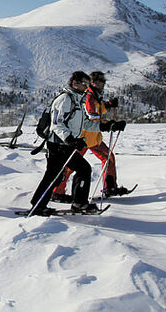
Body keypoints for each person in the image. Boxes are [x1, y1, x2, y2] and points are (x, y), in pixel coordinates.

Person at [29, 71, 103, 215]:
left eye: (88, 84)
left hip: (66, 145)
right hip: (57, 144)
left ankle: (77, 203)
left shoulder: (78, 100)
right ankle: (40, 205)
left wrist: (105, 126)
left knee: (75, 171)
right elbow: (57, 124)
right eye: (84, 84)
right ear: (74, 83)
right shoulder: (65, 99)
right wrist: (70, 140)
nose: (87, 87)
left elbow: (85, 123)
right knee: (55, 175)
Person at [52, 71, 128, 201]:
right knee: (71, 166)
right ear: (93, 82)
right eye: (100, 81)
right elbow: (91, 117)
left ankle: (110, 186)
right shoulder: (88, 97)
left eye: (104, 81)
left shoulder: (94, 95)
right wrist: (109, 125)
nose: (103, 83)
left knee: (108, 157)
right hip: (84, 137)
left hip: (93, 138)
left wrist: (108, 106)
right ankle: (57, 192)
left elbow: (98, 108)